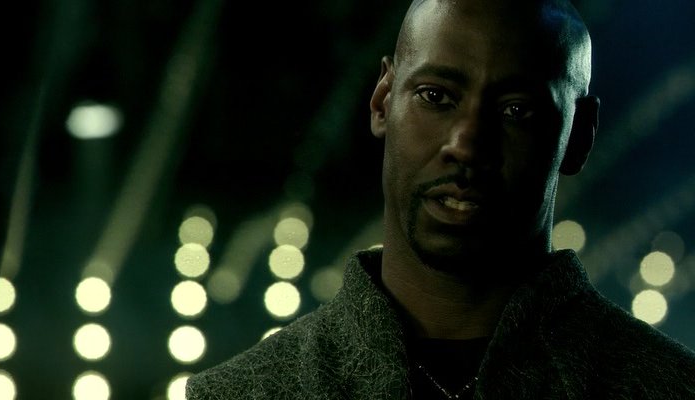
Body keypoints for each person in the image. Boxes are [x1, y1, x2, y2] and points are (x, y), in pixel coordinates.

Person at [186, 0, 695, 398]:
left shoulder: (669, 389)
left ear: (579, 135)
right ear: (383, 100)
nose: (466, 144)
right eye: (436, 96)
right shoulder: (241, 393)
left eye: (516, 110)